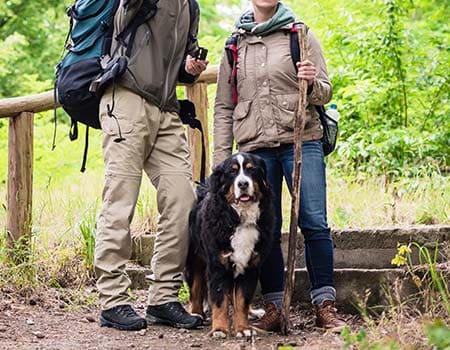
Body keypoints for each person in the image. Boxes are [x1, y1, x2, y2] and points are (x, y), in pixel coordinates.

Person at [213, 0, 346, 333]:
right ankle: (273, 307)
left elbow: (325, 93)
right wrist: (219, 162)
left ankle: (324, 305)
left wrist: (312, 82)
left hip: (302, 140)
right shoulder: (234, 45)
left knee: (314, 222)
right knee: (266, 231)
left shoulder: (299, 35)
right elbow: (222, 108)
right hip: (254, 151)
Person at [94, 0, 208, 331]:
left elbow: (180, 65)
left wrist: (191, 68)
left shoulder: (191, 6)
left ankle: (163, 297)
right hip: (126, 97)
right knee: (121, 197)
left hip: (167, 107)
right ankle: (113, 300)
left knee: (183, 198)